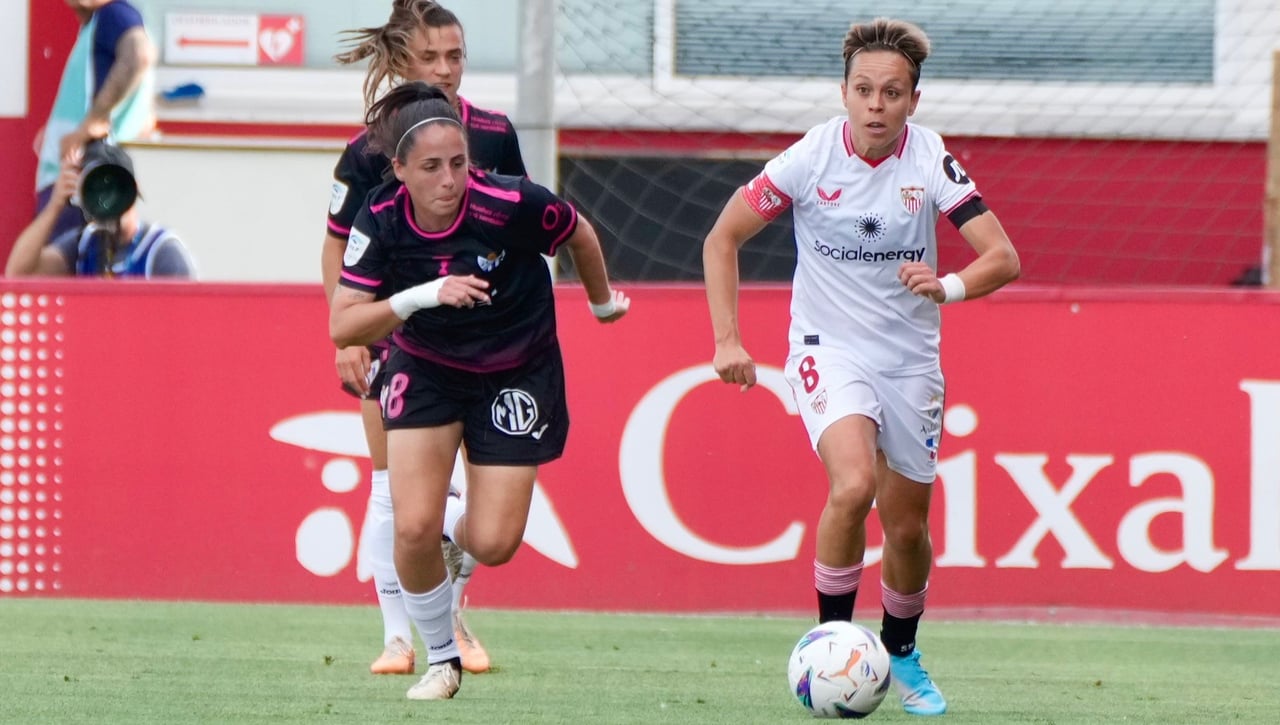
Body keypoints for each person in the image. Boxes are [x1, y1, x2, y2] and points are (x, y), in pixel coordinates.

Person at [701, 18, 1019, 717]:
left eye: (892, 92)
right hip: (826, 346)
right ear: (843, 93)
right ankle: (834, 641)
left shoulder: (930, 159)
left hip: (909, 359)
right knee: (850, 487)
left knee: (906, 527)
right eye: (865, 90)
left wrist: (949, 285)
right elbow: (722, 236)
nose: (877, 104)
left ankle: (901, 651)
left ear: (913, 100)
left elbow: (1003, 256)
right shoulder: (810, 158)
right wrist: (729, 339)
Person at [330, 81, 628, 700]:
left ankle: (453, 546)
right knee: (411, 526)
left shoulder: (509, 203)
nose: (450, 179)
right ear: (400, 172)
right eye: (432, 167)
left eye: (459, 163)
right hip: (427, 365)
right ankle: (442, 661)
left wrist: (600, 304)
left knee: (494, 542)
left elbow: (579, 232)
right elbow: (344, 323)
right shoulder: (380, 217)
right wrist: (420, 297)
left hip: (515, 368)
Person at [321, 0, 527, 678]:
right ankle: (396, 638)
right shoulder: (369, 148)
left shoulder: (493, 135)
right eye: (430, 58)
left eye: (456, 56)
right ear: (402, 64)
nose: (445, 70)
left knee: (464, 499)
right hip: (395, 335)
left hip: (482, 342)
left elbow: (522, 230)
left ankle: (451, 616)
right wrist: (347, 335)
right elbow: (335, 247)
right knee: (391, 486)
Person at [34, 0, 156, 243]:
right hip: (76, 181)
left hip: (81, 181)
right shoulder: (102, 23)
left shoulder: (114, 14)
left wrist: (91, 124)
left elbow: (139, 55)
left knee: (58, 272)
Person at [7, 143, 194, 279]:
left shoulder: (161, 252)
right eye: (96, 188)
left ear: (135, 189)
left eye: (118, 186)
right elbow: (19, 274)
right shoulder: (84, 245)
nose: (108, 198)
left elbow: (187, 320)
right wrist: (56, 205)